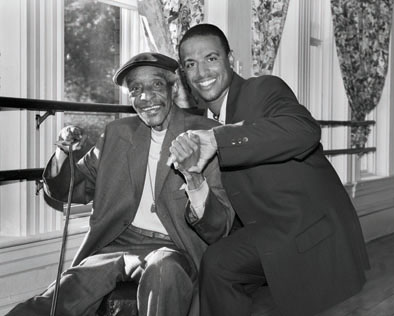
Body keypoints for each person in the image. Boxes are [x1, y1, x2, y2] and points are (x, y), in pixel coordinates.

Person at [6, 52, 233, 316]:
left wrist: (194, 177)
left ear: (173, 87)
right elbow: (68, 190)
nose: (145, 97)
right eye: (136, 89)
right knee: (56, 297)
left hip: (174, 248)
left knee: (165, 271)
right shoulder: (116, 133)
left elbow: (219, 227)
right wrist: (63, 153)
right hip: (115, 244)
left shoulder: (205, 134)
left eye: (156, 85)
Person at [168, 23, 370, 316]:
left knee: (218, 264)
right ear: (184, 75)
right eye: (190, 64)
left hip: (309, 228)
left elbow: (304, 131)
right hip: (267, 233)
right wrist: (193, 177)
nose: (201, 72)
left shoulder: (262, 89)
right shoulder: (202, 126)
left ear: (230, 60)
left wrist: (217, 138)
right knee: (218, 263)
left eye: (211, 58)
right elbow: (226, 207)